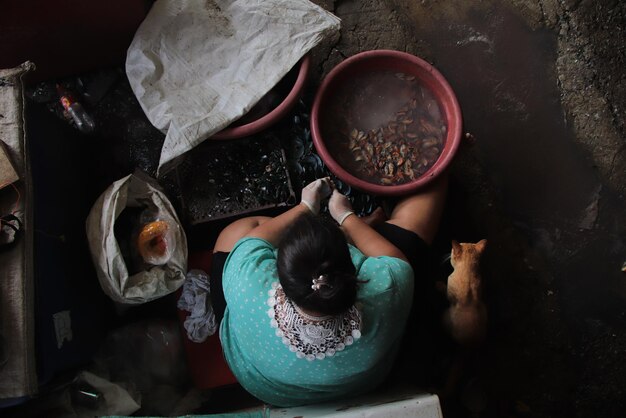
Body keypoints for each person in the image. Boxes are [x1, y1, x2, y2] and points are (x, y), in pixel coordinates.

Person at [209, 175, 447, 407]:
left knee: (236, 232)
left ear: (281, 274)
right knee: (421, 209)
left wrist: (305, 207)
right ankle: (363, 227)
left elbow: (252, 241)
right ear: (353, 263)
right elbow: (396, 262)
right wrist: (346, 216)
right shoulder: (385, 292)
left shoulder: (247, 282)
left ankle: (363, 226)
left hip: (271, 386)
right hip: (364, 382)